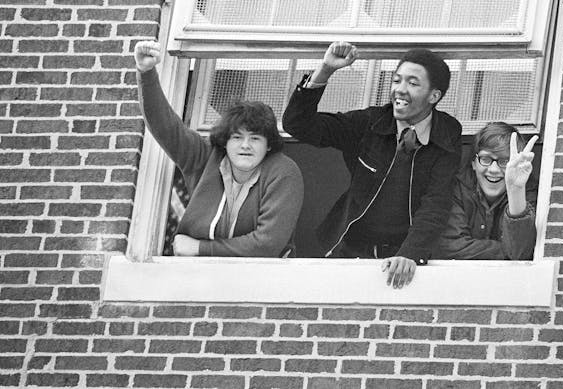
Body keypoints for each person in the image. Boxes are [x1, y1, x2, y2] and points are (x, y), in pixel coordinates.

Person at [282, 42, 462, 289]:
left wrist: (410, 254)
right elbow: (298, 125)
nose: (400, 90)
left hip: (405, 262)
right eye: (396, 80)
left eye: (412, 83)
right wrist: (325, 70)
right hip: (348, 252)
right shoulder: (370, 123)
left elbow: (436, 203)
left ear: (434, 96)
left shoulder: (446, 134)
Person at [134, 40, 304, 257]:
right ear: (225, 141)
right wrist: (146, 72)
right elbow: (165, 126)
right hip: (201, 280)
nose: (245, 145)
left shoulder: (283, 172)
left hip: (262, 281)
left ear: (269, 144)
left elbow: (267, 244)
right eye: (237, 137)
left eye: (255, 138)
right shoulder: (205, 159)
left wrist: (199, 248)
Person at [434, 122, 538, 260]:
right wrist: (506, 251)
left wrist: (515, 191)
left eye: (504, 161)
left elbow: (519, 253)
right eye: (485, 159)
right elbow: (450, 246)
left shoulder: (528, 194)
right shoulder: (455, 188)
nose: (493, 170)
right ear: (473, 163)